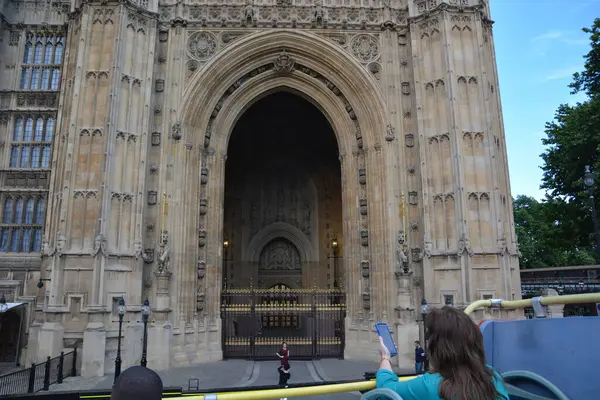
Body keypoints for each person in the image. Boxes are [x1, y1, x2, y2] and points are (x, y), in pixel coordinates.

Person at [376, 306, 509, 400]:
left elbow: (385, 389)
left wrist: (385, 358)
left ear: (437, 347)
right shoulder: (492, 377)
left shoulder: (431, 386)